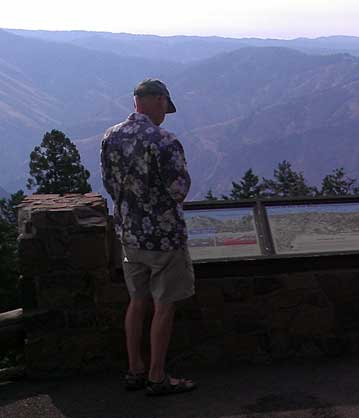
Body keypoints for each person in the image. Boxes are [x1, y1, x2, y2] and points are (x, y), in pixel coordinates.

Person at [101, 79, 197, 395]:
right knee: (164, 305)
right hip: (164, 238)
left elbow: (109, 185)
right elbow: (178, 191)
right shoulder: (165, 142)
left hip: (129, 235)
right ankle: (158, 377)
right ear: (157, 100)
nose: (165, 114)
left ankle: (135, 370)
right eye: (164, 107)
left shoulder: (110, 137)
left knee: (136, 301)